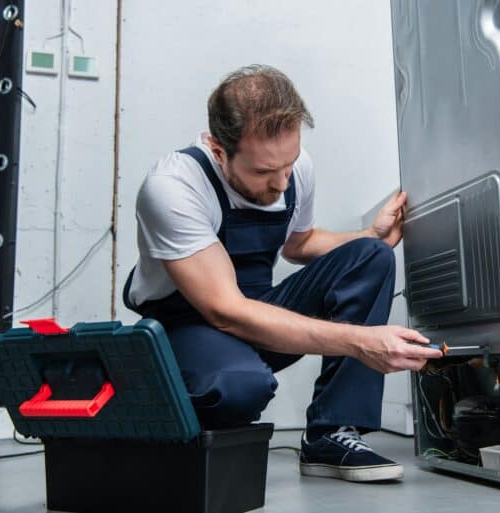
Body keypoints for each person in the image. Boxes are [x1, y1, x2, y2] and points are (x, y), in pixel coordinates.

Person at [123, 64, 442, 482]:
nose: (280, 183)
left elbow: (299, 244)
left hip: (254, 311)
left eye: (288, 164)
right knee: (241, 388)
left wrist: (369, 235)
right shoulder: (173, 187)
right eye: (262, 172)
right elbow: (225, 311)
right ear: (219, 149)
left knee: (371, 255)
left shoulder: (294, 169)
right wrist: (359, 341)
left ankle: (330, 434)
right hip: (188, 326)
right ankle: (165, 407)